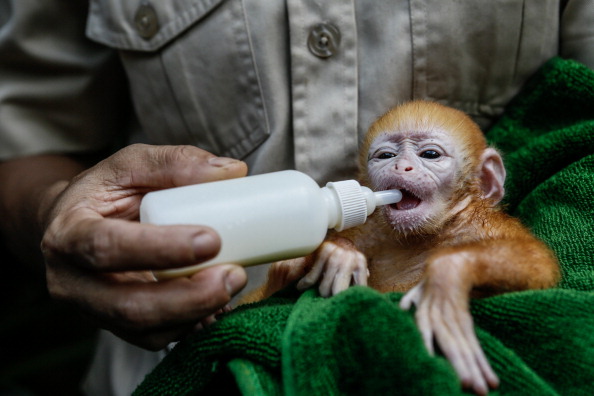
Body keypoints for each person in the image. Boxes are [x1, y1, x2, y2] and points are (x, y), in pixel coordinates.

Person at [0, 0, 592, 394]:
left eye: (429, 156)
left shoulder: (480, 219)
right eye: (386, 156)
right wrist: (56, 212)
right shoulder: (355, 227)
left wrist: (458, 269)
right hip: (181, 365)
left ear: (485, 181)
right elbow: (26, 132)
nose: (402, 167)